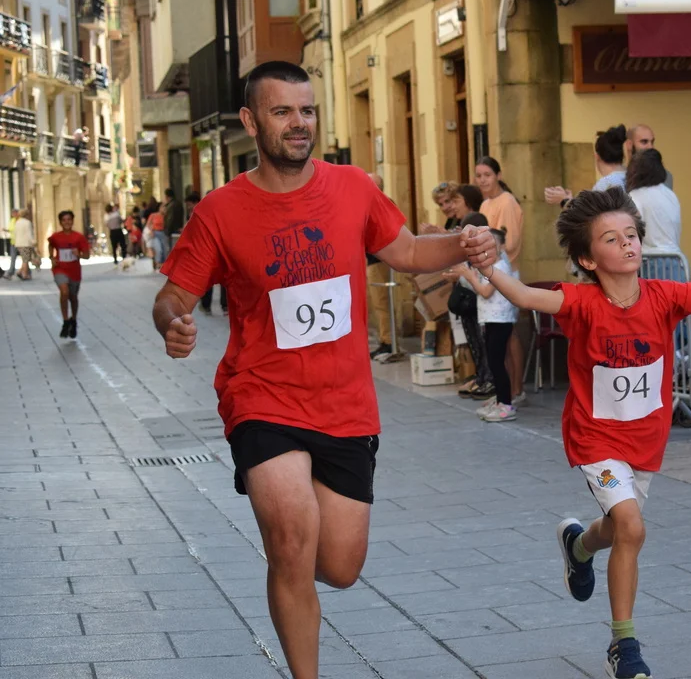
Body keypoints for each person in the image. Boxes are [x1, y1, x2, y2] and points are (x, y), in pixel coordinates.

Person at [150, 61, 497, 679]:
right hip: (262, 398)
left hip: (344, 403)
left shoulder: (353, 187)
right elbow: (174, 295)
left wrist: (465, 243)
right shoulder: (220, 211)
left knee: (339, 566)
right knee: (290, 541)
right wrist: (172, 321)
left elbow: (408, 251)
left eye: (307, 110)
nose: (299, 123)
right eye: (282, 111)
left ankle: (298, 564)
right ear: (251, 121)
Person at [475, 185, 691, 679]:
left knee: (618, 527)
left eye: (631, 234)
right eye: (611, 239)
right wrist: (488, 269)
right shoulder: (581, 302)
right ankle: (624, 645)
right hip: (595, 439)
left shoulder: (664, 295)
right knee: (632, 527)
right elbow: (528, 295)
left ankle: (578, 547)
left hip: (645, 440)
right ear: (588, 259)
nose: (627, 244)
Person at [447, 225, 519, 422]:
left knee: (497, 363)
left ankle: (506, 405)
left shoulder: (500, 268)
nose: (486, 250)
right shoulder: (489, 267)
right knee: (494, 362)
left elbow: (486, 292)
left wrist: (470, 276)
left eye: (491, 246)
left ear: (501, 247)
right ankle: (501, 400)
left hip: (500, 320)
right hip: (490, 319)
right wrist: (465, 276)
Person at [476, 156, 526, 406]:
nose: (483, 180)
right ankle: (503, 389)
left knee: (509, 333)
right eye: (478, 176)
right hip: (489, 269)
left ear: (498, 175)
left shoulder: (507, 201)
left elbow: (510, 241)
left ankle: (517, 388)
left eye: (487, 174)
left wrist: (491, 258)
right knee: (497, 338)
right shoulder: (485, 204)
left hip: (504, 270)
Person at [545, 125, 628, 205]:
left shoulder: (605, 184)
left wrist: (564, 201)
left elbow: (588, 214)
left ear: (597, 156)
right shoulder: (630, 176)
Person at [47, 210, 90, 338]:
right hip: (60, 269)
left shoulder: (79, 237)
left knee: (73, 297)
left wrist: (79, 254)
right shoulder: (56, 236)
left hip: (74, 271)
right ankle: (66, 321)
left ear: (72, 221)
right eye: (64, 220)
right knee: (64, 292)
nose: (67, 222)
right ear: (60, 222)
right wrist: (52, 257)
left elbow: (87, 255)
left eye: (69, 220)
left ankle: (74, 320)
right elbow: (51, 245)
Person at [365, 172, 395, 359]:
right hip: (370, 260)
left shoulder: (384, 204)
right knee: (375, 304)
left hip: (380, 260)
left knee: (381, 302)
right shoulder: (368, 203)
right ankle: (384, 339)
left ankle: (388, 341)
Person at [624, 124, 673, 189]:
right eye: (644, 142)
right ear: (629, 144)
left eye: (652, 142)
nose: (650, 147)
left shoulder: (665, 177)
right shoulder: (618, 178)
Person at [13, 208, 34, 280]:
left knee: (24, 259)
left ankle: (20, 272)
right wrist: (33, 242)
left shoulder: (17, 222)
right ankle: (24, 274)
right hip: (26, 243)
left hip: (18, 243)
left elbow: (15, 233)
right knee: (26, 260)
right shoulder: (27, 222)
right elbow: (29, 234)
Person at [3, 208, 17, 278]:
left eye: (14, 213)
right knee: (13, 258)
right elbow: (11, 229)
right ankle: (11, 272)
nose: (13, 214)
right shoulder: (12, 220)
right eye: (12, 213)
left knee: (25, 258)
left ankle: (26, 272)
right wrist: (6, 230)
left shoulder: (18, 220)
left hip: (19, 241)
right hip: (13, 241)